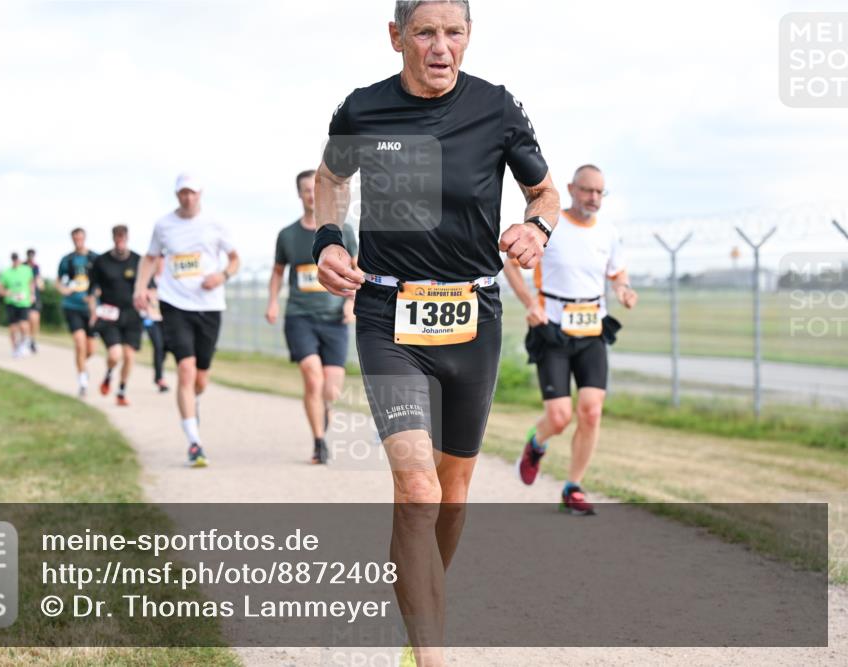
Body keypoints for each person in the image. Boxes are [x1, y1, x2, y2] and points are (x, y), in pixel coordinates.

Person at [312, 1, 560, 662]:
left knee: (451, 498)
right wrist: (330, 241)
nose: (441, 47)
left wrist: (537, 228)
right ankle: (431, 654)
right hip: (389, 317)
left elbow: (546, 192)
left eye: (454, 32)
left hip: (473, 319)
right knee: (417, 489)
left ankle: (421, 606)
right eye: (425, 32)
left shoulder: (498, 109)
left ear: (469, 37)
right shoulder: (362, 110)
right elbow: (330, 180)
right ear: (396, 37)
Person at [505, 164, 637, 515]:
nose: (593, 198)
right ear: (571, 189)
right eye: (587, 190)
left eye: (599, 192)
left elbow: (617, 272)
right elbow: (511, 263)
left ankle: (573, 487)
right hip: (553, 329)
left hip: (592, 328)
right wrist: (530, 303)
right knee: (560, 417)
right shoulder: (552, 227)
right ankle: (537, 443)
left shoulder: (608, 233)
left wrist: (623, 290)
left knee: (591, 411)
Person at [134, 173, 239, 467]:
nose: (188, 198)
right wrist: (140, 288)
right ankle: (194, 442)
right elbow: (150, 258)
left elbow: (234, 259)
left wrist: (222, 276)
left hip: (209, 305)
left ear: (200, 193)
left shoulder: (215, 224)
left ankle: (193, 403)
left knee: (200, 378)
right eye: (183, 193)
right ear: (176, 194)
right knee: (185, 368)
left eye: (192, 193)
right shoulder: (164, 224)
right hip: (174, 303)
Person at [266, 169, 359, 464]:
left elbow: (356, 267)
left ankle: (324, 411)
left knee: (331, 390)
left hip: (334, 318)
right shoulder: (287, 235)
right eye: (305, 190)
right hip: (299, 316)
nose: (310, 194)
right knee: (312, 377)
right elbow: (278, 272)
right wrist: (272, 302)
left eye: (313, 189)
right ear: (299, 194)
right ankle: (319, 442)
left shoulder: (343, 232)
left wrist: (350, 303)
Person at [88, 225, 145, 407]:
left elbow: (148, 286)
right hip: (109, 314)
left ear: (127, 238)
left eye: (123, 237)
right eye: (117, 237)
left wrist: (149, 300)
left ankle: (121, 390)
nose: (120, 241)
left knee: (128, 356)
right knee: (115, 355)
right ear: (113, 238)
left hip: (132, 314)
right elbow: (92, 291)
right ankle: (109, 374)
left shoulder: (138, 260)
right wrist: (93, 312)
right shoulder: (101, 261)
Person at [57, 229, 100, 396]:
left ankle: (81, 364)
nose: (78, 241)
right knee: (79, 342)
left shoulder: (94, 258)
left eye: (80, 238)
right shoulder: (67, 260)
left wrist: (94, 296)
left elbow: (102, 283)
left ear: (84, 238)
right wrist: (64, 290)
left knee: (90, 350)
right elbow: (59, 281)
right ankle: (82, 379)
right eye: (75, 239)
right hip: (72, 306)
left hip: (89, 308)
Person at [141, 258, 170, 393]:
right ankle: (159, 378)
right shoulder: (148, 280)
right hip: (151, 319)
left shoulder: (170, 280)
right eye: (159, 260)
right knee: (158, 346)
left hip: (166, 319)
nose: (161, 264)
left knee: (165, 348)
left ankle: (158, 371)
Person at [0, 252, 35, 357]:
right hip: (11, 303)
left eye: (16, 259)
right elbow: (0, 289)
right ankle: (15, 348)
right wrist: (6, 293)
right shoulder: (6, 273)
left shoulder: (27, 270)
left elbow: (31, 282)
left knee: (24, 325)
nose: (15, 261)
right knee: (13, 328)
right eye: (13, 259)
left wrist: (32, 295)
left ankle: (24, 343)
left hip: (24, 302)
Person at [25, 248, 44, 353]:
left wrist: (40, 284)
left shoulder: (36, 267)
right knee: (26, 320)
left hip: (35, 297)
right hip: (24, 297)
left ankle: (32, 340)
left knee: (35, 320)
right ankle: (26, 339)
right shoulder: (23, 266)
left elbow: (39, 281)